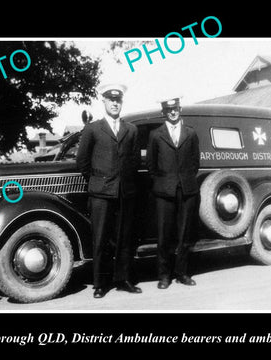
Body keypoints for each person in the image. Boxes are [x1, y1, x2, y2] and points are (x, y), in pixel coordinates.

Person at [76, 83, 142, 298]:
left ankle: (123, 279)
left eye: (118, 99)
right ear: (103, 101)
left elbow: (133, 161)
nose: (115, 103)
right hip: (101, 193)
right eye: (110, 99)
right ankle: (100, 284)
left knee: (125, 238)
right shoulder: (92, 129)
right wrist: (98, 182)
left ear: (121, 102)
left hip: (126, 193)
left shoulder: (131, 130)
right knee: (101, 239)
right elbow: (82, 162)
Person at [146, 97, 200, 289]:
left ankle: (182, 273)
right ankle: (164, 276)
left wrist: (184, 180)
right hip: (164, 192)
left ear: (180, 108)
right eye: (169, 110)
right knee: (164, 236)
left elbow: (195, 162)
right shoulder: (155, 135)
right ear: (163, 112)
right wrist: (163, 182)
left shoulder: (191, 133)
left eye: (175, 109)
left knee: (185, 235)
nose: (173, 113)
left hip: (187, 190)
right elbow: (151, 165)